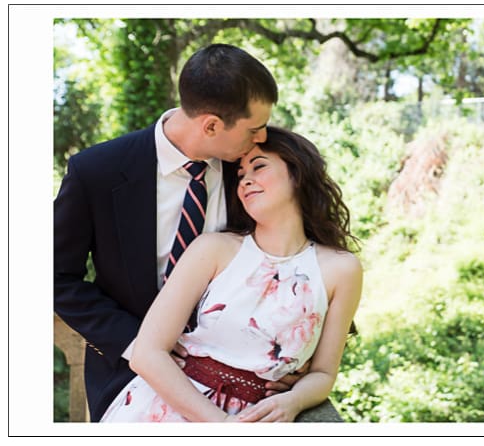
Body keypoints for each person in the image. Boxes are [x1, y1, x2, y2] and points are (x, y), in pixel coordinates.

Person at [53, 44, 294, 421]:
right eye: (255, 128)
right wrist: (136, 343)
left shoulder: (251, 169)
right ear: (211, 125)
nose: (263, 138)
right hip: (128, 375)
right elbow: (54, 277)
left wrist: (301, 353)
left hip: (241, 379)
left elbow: (298, 243)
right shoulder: (96, 171)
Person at [100, 127, 363, 422]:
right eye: (240, 175)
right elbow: (147, 354)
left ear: (298, 173)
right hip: (167, 409)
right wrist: (223, 426)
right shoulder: (214, 249)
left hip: (257, 419)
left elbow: (324, 374)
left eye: (259, 166)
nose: (246, 179)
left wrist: (293, 401)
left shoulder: (342, 269)